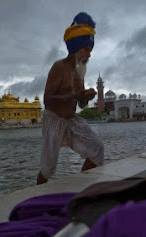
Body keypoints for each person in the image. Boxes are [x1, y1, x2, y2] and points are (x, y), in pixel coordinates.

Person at [37, 12, 104, 185]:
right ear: (76, 47)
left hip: (71, 120)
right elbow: (48, 99)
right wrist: (76, 95)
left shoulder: (79, 72)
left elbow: (80, 104)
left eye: (91, 50)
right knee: (48, 167)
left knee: (97, 149)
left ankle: (83, 188)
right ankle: (36, 197)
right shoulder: (59, 67)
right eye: (86, 49)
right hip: (54, 119)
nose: (89, 55)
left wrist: (86, 97)